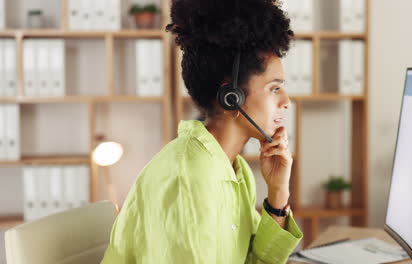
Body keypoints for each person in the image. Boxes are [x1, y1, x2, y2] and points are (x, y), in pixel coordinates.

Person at [101, 0, 303, 263]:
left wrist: (278, 194)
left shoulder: (234, 170)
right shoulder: (190, 179)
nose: (286, 101)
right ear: (232, 96)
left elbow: (255, 260)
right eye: (274, 88)